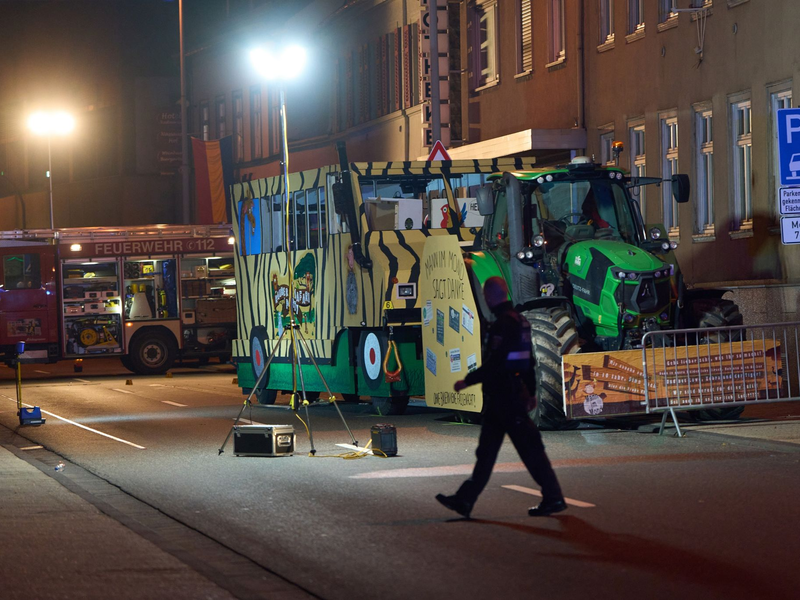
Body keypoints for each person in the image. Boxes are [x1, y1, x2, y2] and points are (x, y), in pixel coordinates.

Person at [436, 276, 567, 519]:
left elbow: (497, 363)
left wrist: (468, 380)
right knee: (487, 453)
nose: (485, 298)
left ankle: (554, 497)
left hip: (505, 398)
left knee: (529, 450)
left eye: (487, 294)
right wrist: (532, 392)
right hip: (508, 396)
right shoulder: (521, 321)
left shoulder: (503, 324)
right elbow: (527, 362)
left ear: (491, 296)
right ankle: (465, 500)